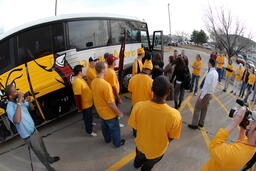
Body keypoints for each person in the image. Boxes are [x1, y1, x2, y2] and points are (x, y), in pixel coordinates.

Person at [128, 76, 182, 171]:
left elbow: (135, 127)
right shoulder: (175, 115)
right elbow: (172, 137)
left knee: (138, 158)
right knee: (148, 166)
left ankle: (137, 164)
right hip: (157, 151)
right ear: (168, 92)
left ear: (152, 89)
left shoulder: (138, 107)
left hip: (141, 145)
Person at [5, 84, 60, 171]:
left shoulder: (19, 102)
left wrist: (29, 101)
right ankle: (48, 167)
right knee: (39, 153)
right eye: (15, 91)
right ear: (10, 96)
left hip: (34, 130)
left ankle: (49, 159)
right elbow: (17, 120)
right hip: (28, 136)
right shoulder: (9, 107)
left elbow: (32, 108)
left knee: (42, 147)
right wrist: (19, 101)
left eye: (17, 90)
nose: (17, 92)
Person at [91, 62, 125, 147]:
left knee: (104, 127)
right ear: (102, 70)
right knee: (115, 129)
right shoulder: (106, 85)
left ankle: (107, 139)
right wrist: (118, 112)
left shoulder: (94, 81)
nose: (107, 70)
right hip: (109, 113)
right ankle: (117, 143)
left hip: (100, 111)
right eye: (106, 68)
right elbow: (111, 103)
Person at [188, 59, 218, 129]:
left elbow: (206, 86)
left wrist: (201, 97)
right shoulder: (216, 73)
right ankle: (201, 122)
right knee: (204, 108)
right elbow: (215, 84)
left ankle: (194, 124)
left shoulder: (210, 73)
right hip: (210, 93)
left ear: (210, 64)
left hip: (206, 93)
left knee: (197, 107)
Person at [72, 65, 97, 137]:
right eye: (83, 70)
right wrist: (79, 108)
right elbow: (77, 96)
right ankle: (89, 131)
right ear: (80, 72)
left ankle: (90, 123)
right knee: (87, 118)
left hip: (88, 103)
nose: (85, 71)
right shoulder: (77, 82)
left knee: (89, 116)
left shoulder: (81, 79)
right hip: (85, 105)